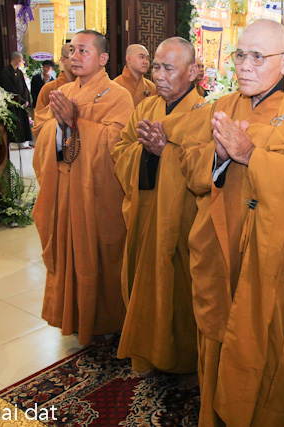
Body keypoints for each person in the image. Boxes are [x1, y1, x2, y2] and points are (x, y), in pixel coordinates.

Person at [180, 19, 284, 426]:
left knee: (266, 337)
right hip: (221, 245)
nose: (244, 65)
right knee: (220, 331)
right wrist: (217, 156)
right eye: (240, 55)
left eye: (258, 57)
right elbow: (190, 164)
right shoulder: (222, 105)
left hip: (273, 255)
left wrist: (251, 155)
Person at [112, 37, 209, 374]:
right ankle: (147, 352)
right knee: (143, 283)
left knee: (180, 289)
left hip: (182, 220)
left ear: (192, 72)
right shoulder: (145, 108)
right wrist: (146, 152)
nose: (160, 75)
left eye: (169, 68)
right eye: (156, 67)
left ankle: (184, 361)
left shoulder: (206, 114)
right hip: (144, 213)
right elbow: (120, 151)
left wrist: (166, 152)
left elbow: (205, 170)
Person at [32, 30, 134, 346]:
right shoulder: (63, 91)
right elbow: (41, 132)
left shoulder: (118, 96)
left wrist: (76, 122)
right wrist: (60, 124)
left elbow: (118, 144)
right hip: (64, 189)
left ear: (103, 59)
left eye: (83, 51)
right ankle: (72, 315)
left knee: (102, 253)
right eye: (72, 50)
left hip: (98, 194)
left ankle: (106, 320)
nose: (74, 56)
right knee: (65, 250)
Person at [0, 51, 33, 149]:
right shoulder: (6, 72)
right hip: (13, 102)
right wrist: (20, 99)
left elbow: (24, 87)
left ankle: (23, 143)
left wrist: (26, 100)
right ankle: (14, 144)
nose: (22, 61)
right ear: (16, 59)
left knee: (23, 122)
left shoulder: (19, 72)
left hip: (22, 102)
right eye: (21, 59)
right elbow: (9, 88)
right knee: (15, 122)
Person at [35, 44, 74, 112]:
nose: (78, 61)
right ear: (63, 60)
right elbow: (40, 117)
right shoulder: (49, 88)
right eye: (73, 58)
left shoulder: (87, 86)